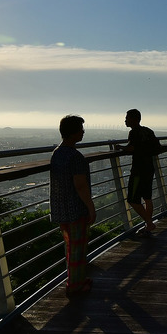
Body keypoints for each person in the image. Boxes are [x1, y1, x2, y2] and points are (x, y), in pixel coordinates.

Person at [50, 115, 96, 298]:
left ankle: (76, 280)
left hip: (61, 208)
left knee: (71, 247)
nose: (83, 132)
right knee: (78, 248)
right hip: (75, 209)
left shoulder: (57, 153)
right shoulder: (75, 156)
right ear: (74, 132)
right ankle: (75, 285)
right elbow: (80, 186)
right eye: (81, 129)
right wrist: (91, 208)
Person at [122, 108, 159, 235]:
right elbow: (156, 147)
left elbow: (131, 148)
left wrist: (121, 149)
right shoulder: (148, 131)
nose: (125, 120)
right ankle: (147, 226)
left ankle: (149, 223)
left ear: (134, 119)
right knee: (147, 198)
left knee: (132, 199)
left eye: (127, 118)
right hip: (149, 168)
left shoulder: (134, 132)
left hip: (138, 169)